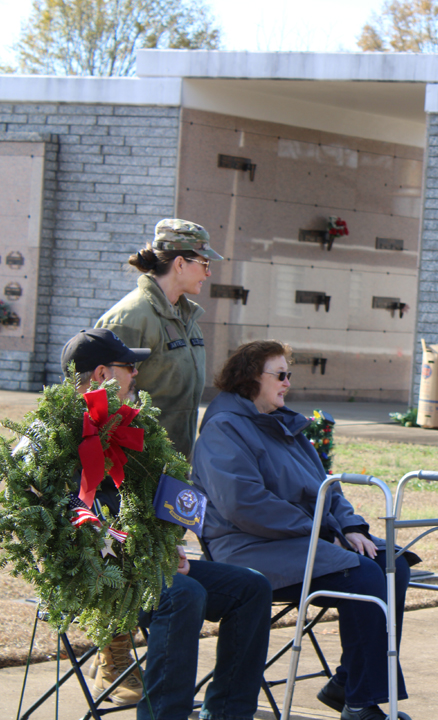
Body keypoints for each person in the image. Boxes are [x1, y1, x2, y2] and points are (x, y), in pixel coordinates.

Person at [191, 340, 414, 720]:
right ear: (249, 379)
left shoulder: (280, 423)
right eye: (280, 375)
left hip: (303, 538)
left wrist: (351, 525)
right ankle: (362, 704)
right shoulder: (223, 430)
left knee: (393, 562)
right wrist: (324, 532)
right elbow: (243, 505)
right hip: (249, 547)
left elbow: (328, 486)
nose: (287, 383)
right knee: (363, 577)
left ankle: (347, 684)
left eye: (289, 374)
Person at [58, 329, 273, 720]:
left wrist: (168, 542)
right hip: (96, 571)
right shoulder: (59, 437)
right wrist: (145, 553)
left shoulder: (129, 429)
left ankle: (227, 712)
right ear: (103, 373)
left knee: (252, 586)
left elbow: (157, 501)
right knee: (181, 594)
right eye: (130, 367)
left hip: (146, 562)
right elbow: (74, 520)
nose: (136, 374)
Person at [95, 218, 221, 460]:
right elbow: (103, 404)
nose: (209, 272)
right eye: (204, 262)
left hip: (172, 466)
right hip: (134, 469)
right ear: (181, 264)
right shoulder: (129, 319)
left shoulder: (187, 318)